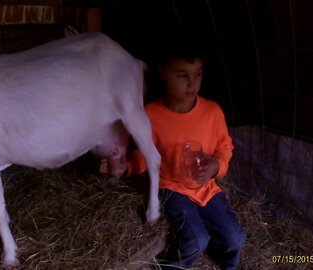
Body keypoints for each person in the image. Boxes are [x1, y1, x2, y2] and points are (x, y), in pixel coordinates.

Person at [100, 37, 245, 270]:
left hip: (206, 188)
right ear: (163, 73)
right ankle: (172, 266)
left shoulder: (212, 112)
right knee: (197, 240)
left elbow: (224, 146)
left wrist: (216, 166)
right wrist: (126, 166)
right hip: (172, 188)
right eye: (182, 75)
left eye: (197, 74)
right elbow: (145, 155)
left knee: (236, 238)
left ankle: (227, 265)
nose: (192, 83)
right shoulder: (151, 115)